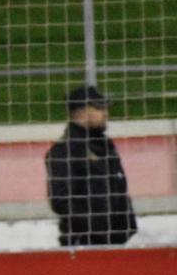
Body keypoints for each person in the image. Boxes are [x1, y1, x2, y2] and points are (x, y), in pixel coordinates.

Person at [45, 85, 137, 247]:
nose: (106, 113)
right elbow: (60, 200)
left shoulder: (106, 146)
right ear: (81, 112)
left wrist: (127, 225)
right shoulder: (64, 150)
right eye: (99, 108)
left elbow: (119, 189)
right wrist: (97, 229)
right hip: (83, 245)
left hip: (116, 242)